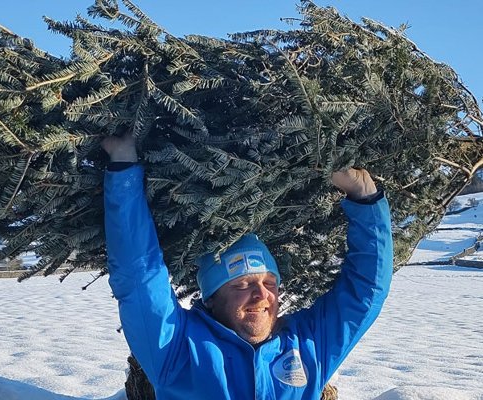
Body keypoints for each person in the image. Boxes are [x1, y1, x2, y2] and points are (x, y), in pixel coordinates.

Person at [102, 133, 393, 400]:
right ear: (211, 297)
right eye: (242, 284)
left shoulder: (309, 345)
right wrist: (123, 166)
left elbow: (365, 292)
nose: (261, 295)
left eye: (269, 283)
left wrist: (365, 197)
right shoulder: (177, 349)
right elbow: (140, 278)